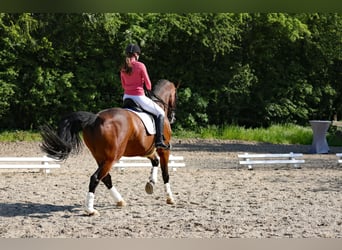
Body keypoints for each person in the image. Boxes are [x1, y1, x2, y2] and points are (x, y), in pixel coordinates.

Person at [120, 43, 169, 149]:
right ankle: (159, 141)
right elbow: (149, 85)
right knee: (160, 112)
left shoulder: (123, 67)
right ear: (137, 54)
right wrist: (145, 86)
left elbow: (123, 85)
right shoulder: (140, 65)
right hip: (139, 97)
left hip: (126, 97)